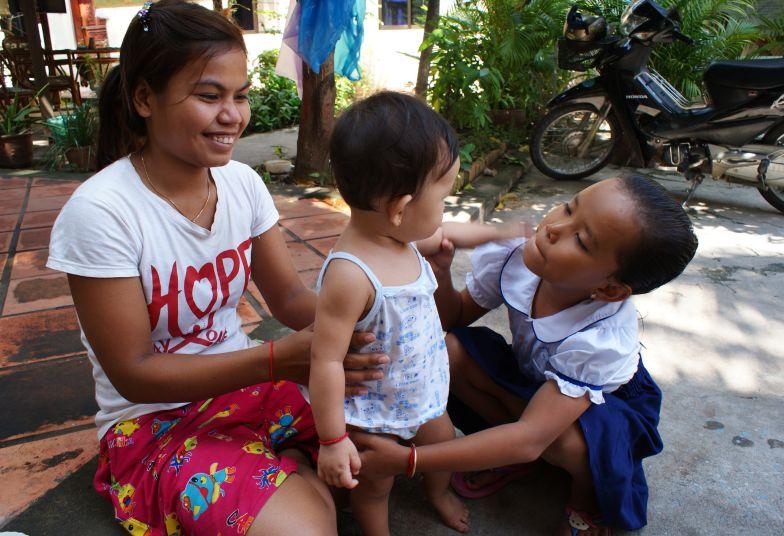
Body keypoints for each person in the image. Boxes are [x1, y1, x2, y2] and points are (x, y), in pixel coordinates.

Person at [46, 2, 384, 534]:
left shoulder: (242, 184)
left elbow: (292, 302)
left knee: (386, 432)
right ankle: (285, 476)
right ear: (143, 99)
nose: (234, 115)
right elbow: (133, 370)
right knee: (309, 527)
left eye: (241, 95)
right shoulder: (101, 212)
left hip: (248, 387)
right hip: (156, 422)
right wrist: (277, 360)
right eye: (209, 96)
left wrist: (373, 309)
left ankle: (279, 471)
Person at [353, 175, 699, 535]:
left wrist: (410, 460)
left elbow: (533, 436)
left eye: (580, 240)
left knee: (561, 440)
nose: (554, 227)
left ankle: (584, 501)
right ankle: (510, 455)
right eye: (569, 207)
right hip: (534, 380)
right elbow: (453, 317)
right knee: (450, 351)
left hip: (603, 413)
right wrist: (440, 271)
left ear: (610, 288)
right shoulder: (517, 258)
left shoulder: (601, 341)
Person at [307, 91, 521, 535]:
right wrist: (332, 440)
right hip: (373, 409)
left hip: (422, 392)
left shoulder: (399, 237)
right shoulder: (352, 275)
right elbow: (324, 359)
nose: (446, 213)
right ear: (401, 208)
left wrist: (502, 232)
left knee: (441, 439)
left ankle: (436, 491)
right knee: (374, 484)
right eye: (444, 198)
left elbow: (452, 235)